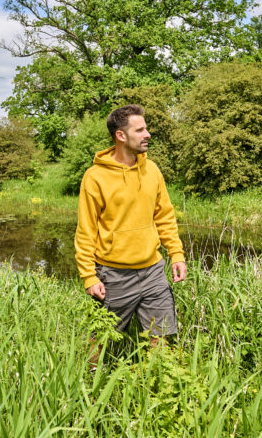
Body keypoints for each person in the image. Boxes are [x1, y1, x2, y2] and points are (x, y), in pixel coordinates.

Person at [75, 104, 186, 357]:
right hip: (113, 275)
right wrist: (88, 276)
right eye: (140, 129)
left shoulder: (152, 170)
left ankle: (157, 381)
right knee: (101, 339)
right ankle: (90, 385)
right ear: (121, 136)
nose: (147, 134)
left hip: (153, 271)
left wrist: (176, 254)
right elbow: (86, 231)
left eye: (146, 128)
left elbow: (164, 216)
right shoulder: (95, 177)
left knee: (161, 334)